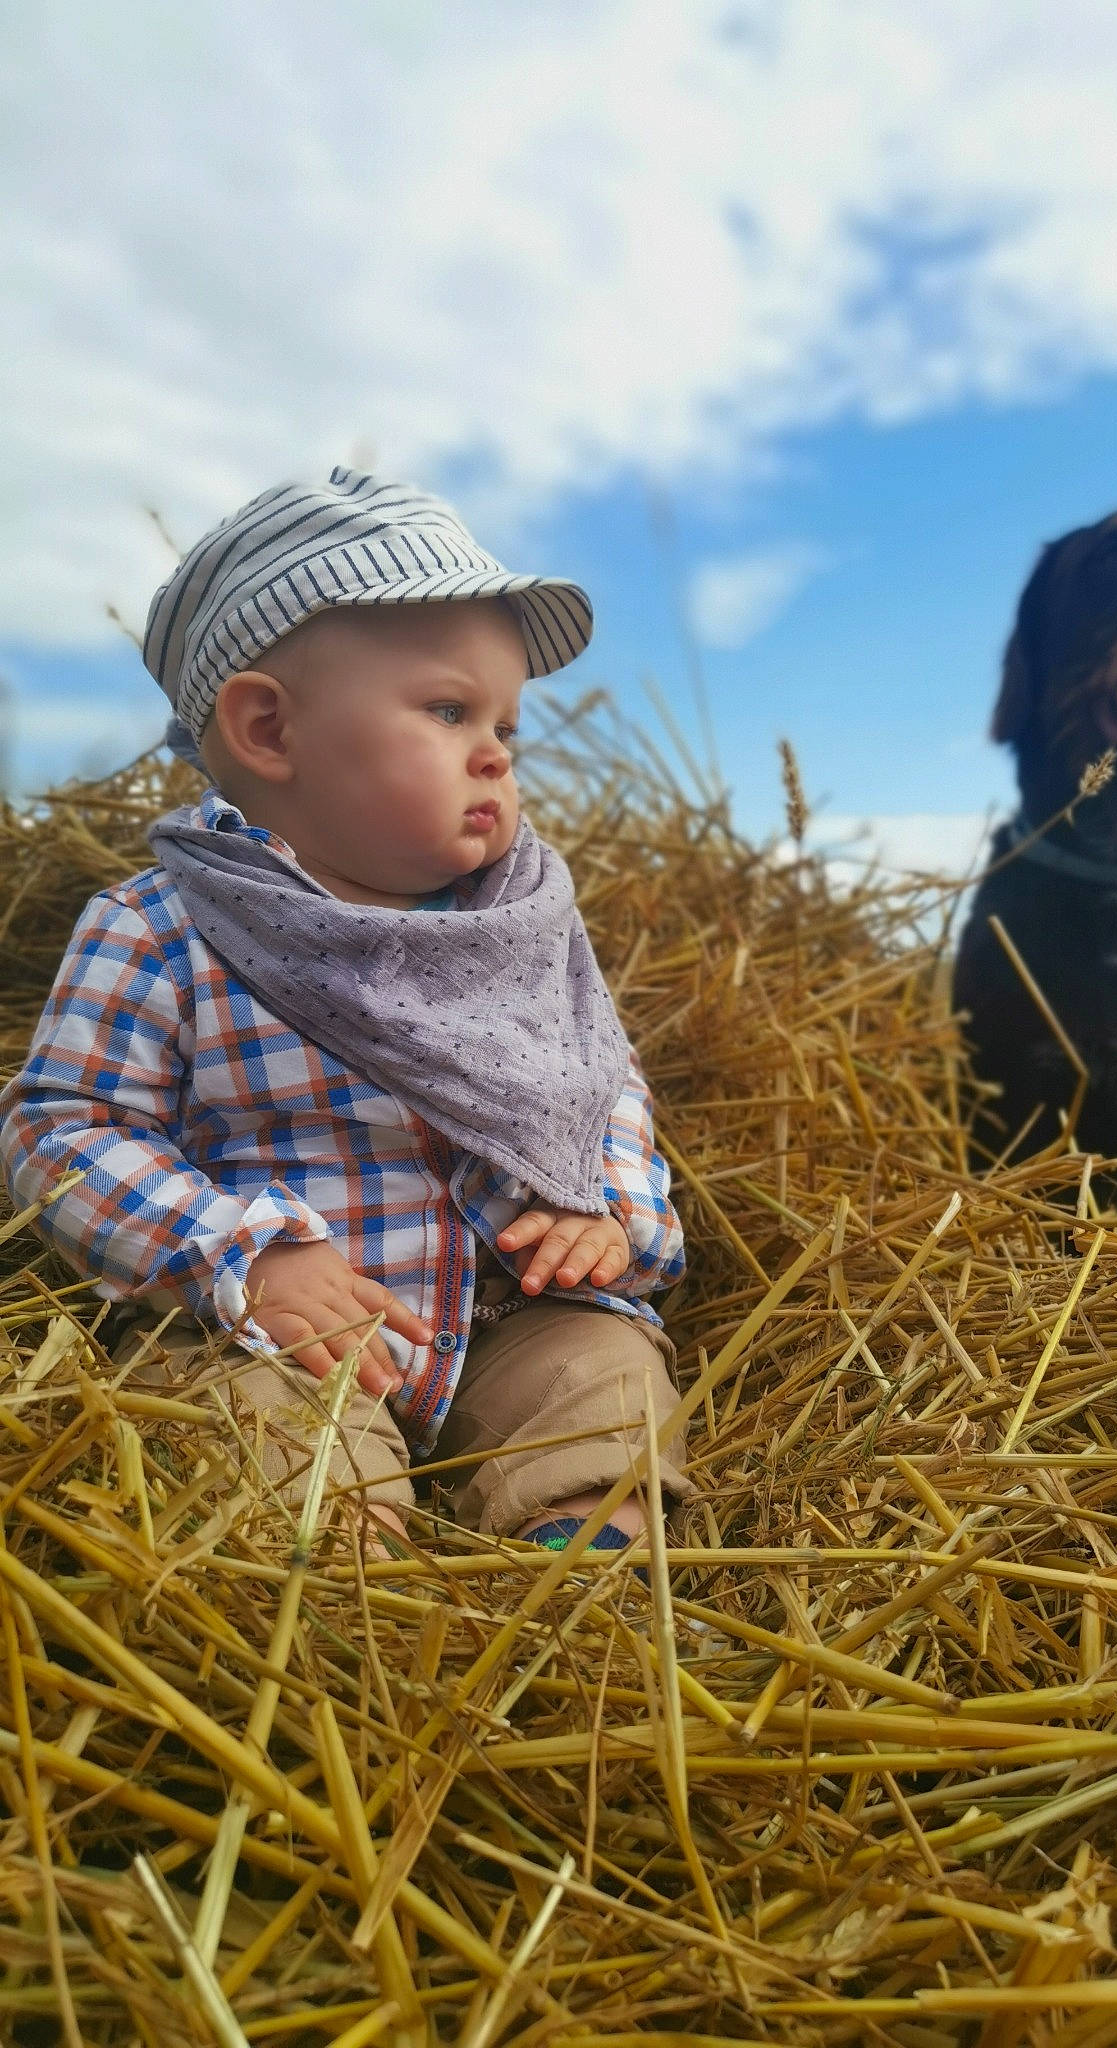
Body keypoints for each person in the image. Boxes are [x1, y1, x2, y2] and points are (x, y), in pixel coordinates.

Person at [0, 469, 687, 1556]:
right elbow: (62, 1129)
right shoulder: (164, 928)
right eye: (449, 709)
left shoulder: (521, 924)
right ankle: (349, 1577)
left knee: (600, 1379)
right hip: (274, 1337)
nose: (498, 751)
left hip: (509, 1315)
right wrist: (242, 1253)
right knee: (269, 1442)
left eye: (507, 721)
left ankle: (583, 1560)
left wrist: (605, 1209)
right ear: (269, 729)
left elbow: (603, 1081)